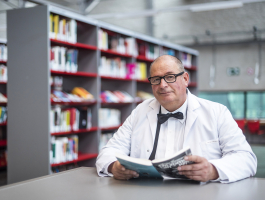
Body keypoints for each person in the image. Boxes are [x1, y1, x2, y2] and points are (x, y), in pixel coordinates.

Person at [96, 55, 257, 183]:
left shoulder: (216, 112)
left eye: (170, 77)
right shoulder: (140, 111)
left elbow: (246, 158)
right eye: (156, 79)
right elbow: (108, 151)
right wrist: (113, 167)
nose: (163, 85)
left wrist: (212, 170)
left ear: (185, 79)